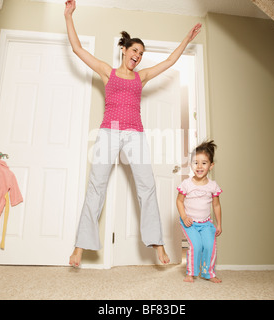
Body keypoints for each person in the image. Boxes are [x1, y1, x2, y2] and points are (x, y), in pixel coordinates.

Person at [64, 0, 202, 267]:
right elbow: (78, 49)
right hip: (108, 132)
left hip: (135, 134)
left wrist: (187, 38)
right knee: (96, 186)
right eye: (134, 50)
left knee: (147, 187)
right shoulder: (108, 71)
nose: (137, 55)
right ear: (124, 50)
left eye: (141, 53)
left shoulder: (143, 76)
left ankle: (158, 246)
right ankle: (79, 248)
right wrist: (69, 16)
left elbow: (170, 60)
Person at [176, 140, 222, 283]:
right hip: (189, 223)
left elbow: (216, 206)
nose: (200, 166)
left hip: (206, 223)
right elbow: (179, 201)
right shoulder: (186, 184)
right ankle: (191, 273)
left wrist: (218, 224)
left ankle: (209, 273)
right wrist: (184, 217)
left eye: (204, 163)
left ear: (211, 165)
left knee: (209, 246)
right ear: (191, 165)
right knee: (196, 245)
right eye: (196, 163)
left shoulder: (213, 186)